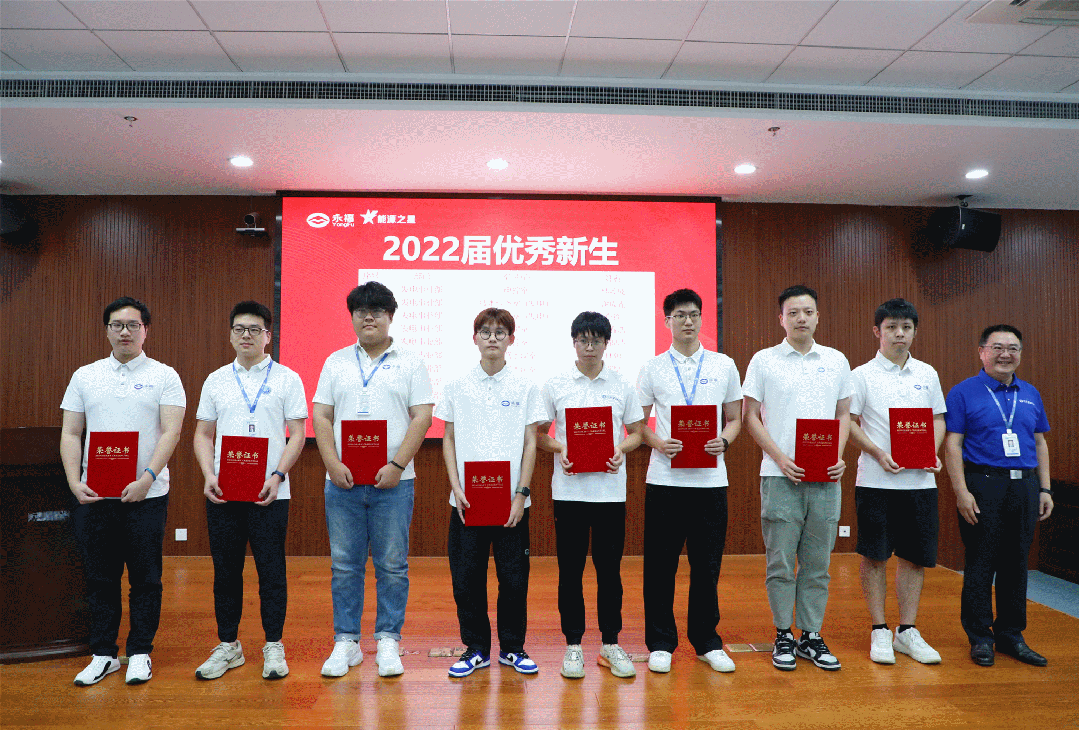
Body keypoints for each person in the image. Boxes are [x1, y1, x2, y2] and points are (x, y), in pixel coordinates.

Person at [60, 296, 186, 686]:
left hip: (147, 495)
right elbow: (71, 432)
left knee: (146, 578)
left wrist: (147, 477)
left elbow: (172, 431)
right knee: (100, 578)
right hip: (96, 496)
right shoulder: (85, 375)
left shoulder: (165, 375)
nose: (125, 332)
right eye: (117, 325)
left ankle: (140, 651)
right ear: (107, 331)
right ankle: (103, 654)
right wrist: (74, 481)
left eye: (133, 325)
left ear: (146, 330)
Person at [312, 282, 434, 678]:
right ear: (351, 317)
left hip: (394, 482)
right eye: (361, 311)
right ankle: (346, 641)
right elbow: (322, 415)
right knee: (345, 565)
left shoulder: (411, 362)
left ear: (390, 316)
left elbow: (423, 416)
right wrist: (331, 463)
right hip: (342, 481)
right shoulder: (335, 362)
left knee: (392, 564)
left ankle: (388, 640)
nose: (369, 316)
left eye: (377, 310)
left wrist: (397, 465)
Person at [192, 301, 308, 680]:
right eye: (239, 329)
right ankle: (229, 646)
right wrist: (208, 474)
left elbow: (297, 434)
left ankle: (273, 645)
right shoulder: (215, 380)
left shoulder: (288, 379)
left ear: (267, 336)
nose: (246, 335)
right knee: (226, 572)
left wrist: (278, 475)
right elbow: (203, 434)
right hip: (223, 492)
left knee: (271, 572)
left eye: (255, 329)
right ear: (230, 335)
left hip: (269, 492)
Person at [742, 284, 851, 672]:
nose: (801, 318)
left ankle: (811, 634)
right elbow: (749, 416)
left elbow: (843, 414)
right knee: (781, 562)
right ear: (781, 319)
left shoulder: (836, 360)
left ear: (818, 317)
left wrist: (837, 456)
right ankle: (783, 633)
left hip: (826, 478)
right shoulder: (764, 360)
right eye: (793, 313)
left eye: (807, 312)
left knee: (818, 563)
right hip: (779, 477)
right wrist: (780, 458)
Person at [636, 288, 743, 674]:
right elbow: (637, 423)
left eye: (694, 314)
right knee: (660, 567)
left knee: (707, 566)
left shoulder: (723, 364)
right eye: (679, 315)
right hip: (664, 481)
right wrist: (657, 442)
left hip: (710, 483)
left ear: (701, 319)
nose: (687, 321)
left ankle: (707, 640)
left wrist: (724, 441)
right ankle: (661, 642)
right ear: (667, 321)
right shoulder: (652, 368)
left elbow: (735, 418)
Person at [437, 308, 547, 678]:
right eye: (485, 332)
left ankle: (512, 648)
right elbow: (448, 438)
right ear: (475, 338)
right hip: (466, 502)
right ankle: (476, 649)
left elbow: (531, 442)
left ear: (511, 339)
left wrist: (521, 494)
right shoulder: (456, 385)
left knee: (514, 580)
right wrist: (455, 486)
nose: (493, 338)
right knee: (466, 579)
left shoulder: (526, 386)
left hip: (512, 503)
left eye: (500, 332)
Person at [537, 311, 645, 679]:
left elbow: (637, 432)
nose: (589, 347)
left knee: (609, 571)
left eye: (596, 340)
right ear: (573, 342)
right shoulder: (555, 384)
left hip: (609, 494)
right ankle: (573, 645)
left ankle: (610, 644)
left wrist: (621, 449)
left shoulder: (621, 384)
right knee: (570, 571)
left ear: (606, 343)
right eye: (583, 340)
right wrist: (560, 447)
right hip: (569, 493)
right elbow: (538, 433)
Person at [944, 324, 1053, 668]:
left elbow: (1039, 442)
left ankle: (1011, 634)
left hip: (1025, 486)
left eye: (1013, 348)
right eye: (997, 347)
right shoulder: (963, 392)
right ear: (982, 352)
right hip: (984, 484)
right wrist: (961, 491)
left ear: (1020, 353)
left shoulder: (1030, 393)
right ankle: (980, 637)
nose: (1006, 354)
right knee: (981, 561)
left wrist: (1045, 488)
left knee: (1017, 562)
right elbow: (953, 445)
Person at [848, 298, 945, 665]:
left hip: (920, 483)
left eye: (906, 327)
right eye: (891, 327)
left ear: (914, 331)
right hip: (876, 482)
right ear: (878, 331)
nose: (899, 333)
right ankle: (879, 629)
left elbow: (938, 420)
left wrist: (931, 451)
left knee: (914, 558)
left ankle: (907, 630)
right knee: (874, 556)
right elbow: (848, 423)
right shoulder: (861, 375)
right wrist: (876, 452)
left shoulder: (927, 373)